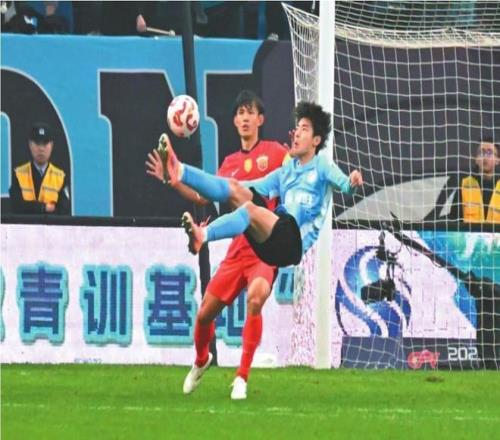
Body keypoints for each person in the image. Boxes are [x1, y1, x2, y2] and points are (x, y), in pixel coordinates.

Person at [146, 91, 289, 400]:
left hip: (265, 247)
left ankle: (242, 377)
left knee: (256, 298)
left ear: (261, 119)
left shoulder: (276, 152)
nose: (245, 118)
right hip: (238, 250)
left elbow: (296, 169)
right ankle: (201, 359)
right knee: (203, 316)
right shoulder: (230, 164)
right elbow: (203, 197)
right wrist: (173, 182)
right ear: (235, 121)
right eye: (240, 113)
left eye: (250, 112)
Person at [157, 101, 363, 270]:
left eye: (304, 129)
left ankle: (203, 235)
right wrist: (184, 180)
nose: (297, 133)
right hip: (271, 242)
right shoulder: (284, 172)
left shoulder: (322, 165)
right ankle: (180, 170)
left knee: (248, 209)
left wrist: (352, 180)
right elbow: (240, 188)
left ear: (316, 140)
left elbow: (346, 186)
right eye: (297, 128)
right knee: (234, 189)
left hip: (293, 244)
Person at [9, 122, 70, 215]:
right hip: (25, 224)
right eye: (37, 143)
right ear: (30, 145)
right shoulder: (18, 174)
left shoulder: (61, 177)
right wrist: (44, 207)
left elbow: (63, 210)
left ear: (51, 145)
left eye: (45, 144)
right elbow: (17, 206)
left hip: (51, 224)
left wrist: (30, 207)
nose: (41, 149)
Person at [453, 138, 499, 223]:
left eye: (489, 153)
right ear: (476, 159)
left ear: (497, 160)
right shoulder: (464, 185)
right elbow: (454, 219)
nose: (485, 157)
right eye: (481, 153)